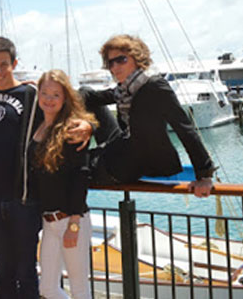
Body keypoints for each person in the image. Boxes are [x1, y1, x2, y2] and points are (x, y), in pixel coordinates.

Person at [82, 34, 216, 196]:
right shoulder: (123, 90)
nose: (115, 67)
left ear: (137, 59)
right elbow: (90, 98)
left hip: (126, 165)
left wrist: (204, 175)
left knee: (69, 166)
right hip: (121, 146)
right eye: (110, 63)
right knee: (84, 93)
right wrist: (87, 125)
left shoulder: (154, 87)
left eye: (121, 60)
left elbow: (184, 128)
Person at [0, 35, 42, 299]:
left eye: (4, 64)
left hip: (23, 199)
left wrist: (86, 126)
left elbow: (62, 115)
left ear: (14, 64)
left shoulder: (30, 95)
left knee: (26, 271)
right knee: (3, 271)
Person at [31, 70, 95, 299]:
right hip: (48, 222)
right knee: (47, 288)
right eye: (45, 93)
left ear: (65, 97)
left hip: (71, 219)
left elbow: (81, 175)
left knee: (80, 289)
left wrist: (74, 224)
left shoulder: (72, 130)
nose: (49, 99)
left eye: (56, 94)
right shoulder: (37, 126)